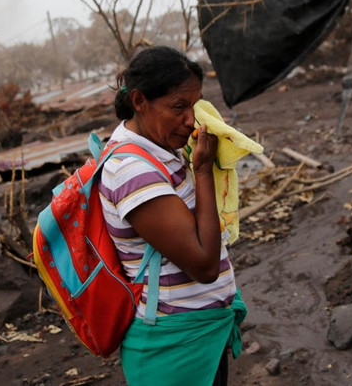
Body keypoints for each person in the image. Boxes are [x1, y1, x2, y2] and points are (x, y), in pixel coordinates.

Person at [99, 45, 246, 386]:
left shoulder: (161, 150)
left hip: (198, 335)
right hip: (174, 345)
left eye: (195, 105)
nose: (191, 120)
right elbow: (204, 266)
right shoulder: (132, 170)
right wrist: (203, 170)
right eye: (178, 107)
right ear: (140, 101)